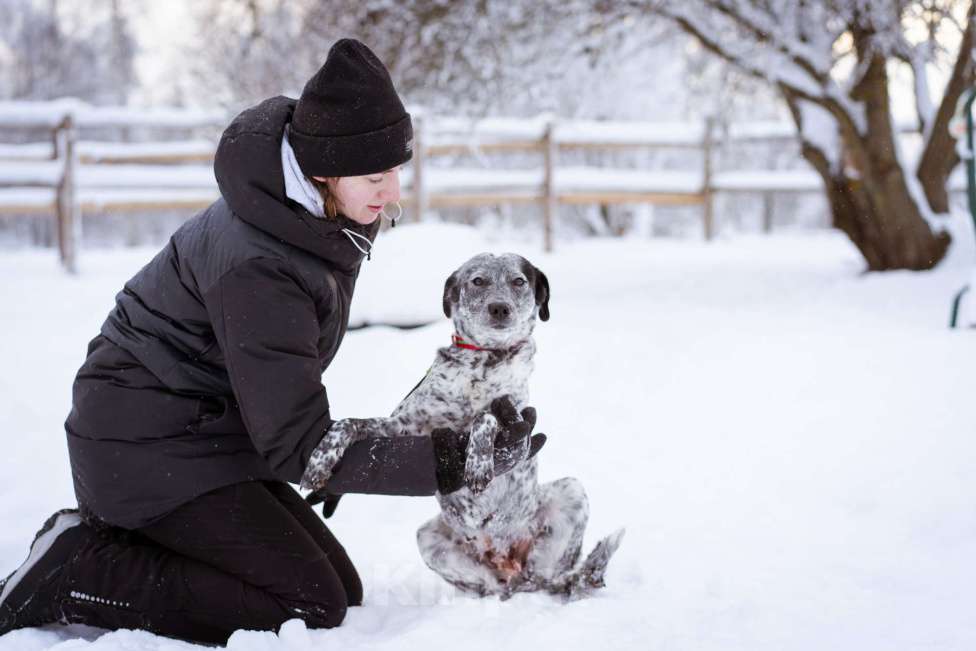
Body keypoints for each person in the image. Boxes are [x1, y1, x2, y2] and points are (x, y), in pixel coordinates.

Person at [0, 39, 542, 646]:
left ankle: (128, 541)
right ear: (323, 169)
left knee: (342, 588)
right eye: (375, 175)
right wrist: (453, 459)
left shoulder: (304, 212)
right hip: (144, 449)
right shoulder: (262, 261)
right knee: (309, 603)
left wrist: (355, 460)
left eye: (395, 171)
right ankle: (76, 569)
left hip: (202, 435)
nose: (393, 193)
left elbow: (286, 414)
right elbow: (299, 446)